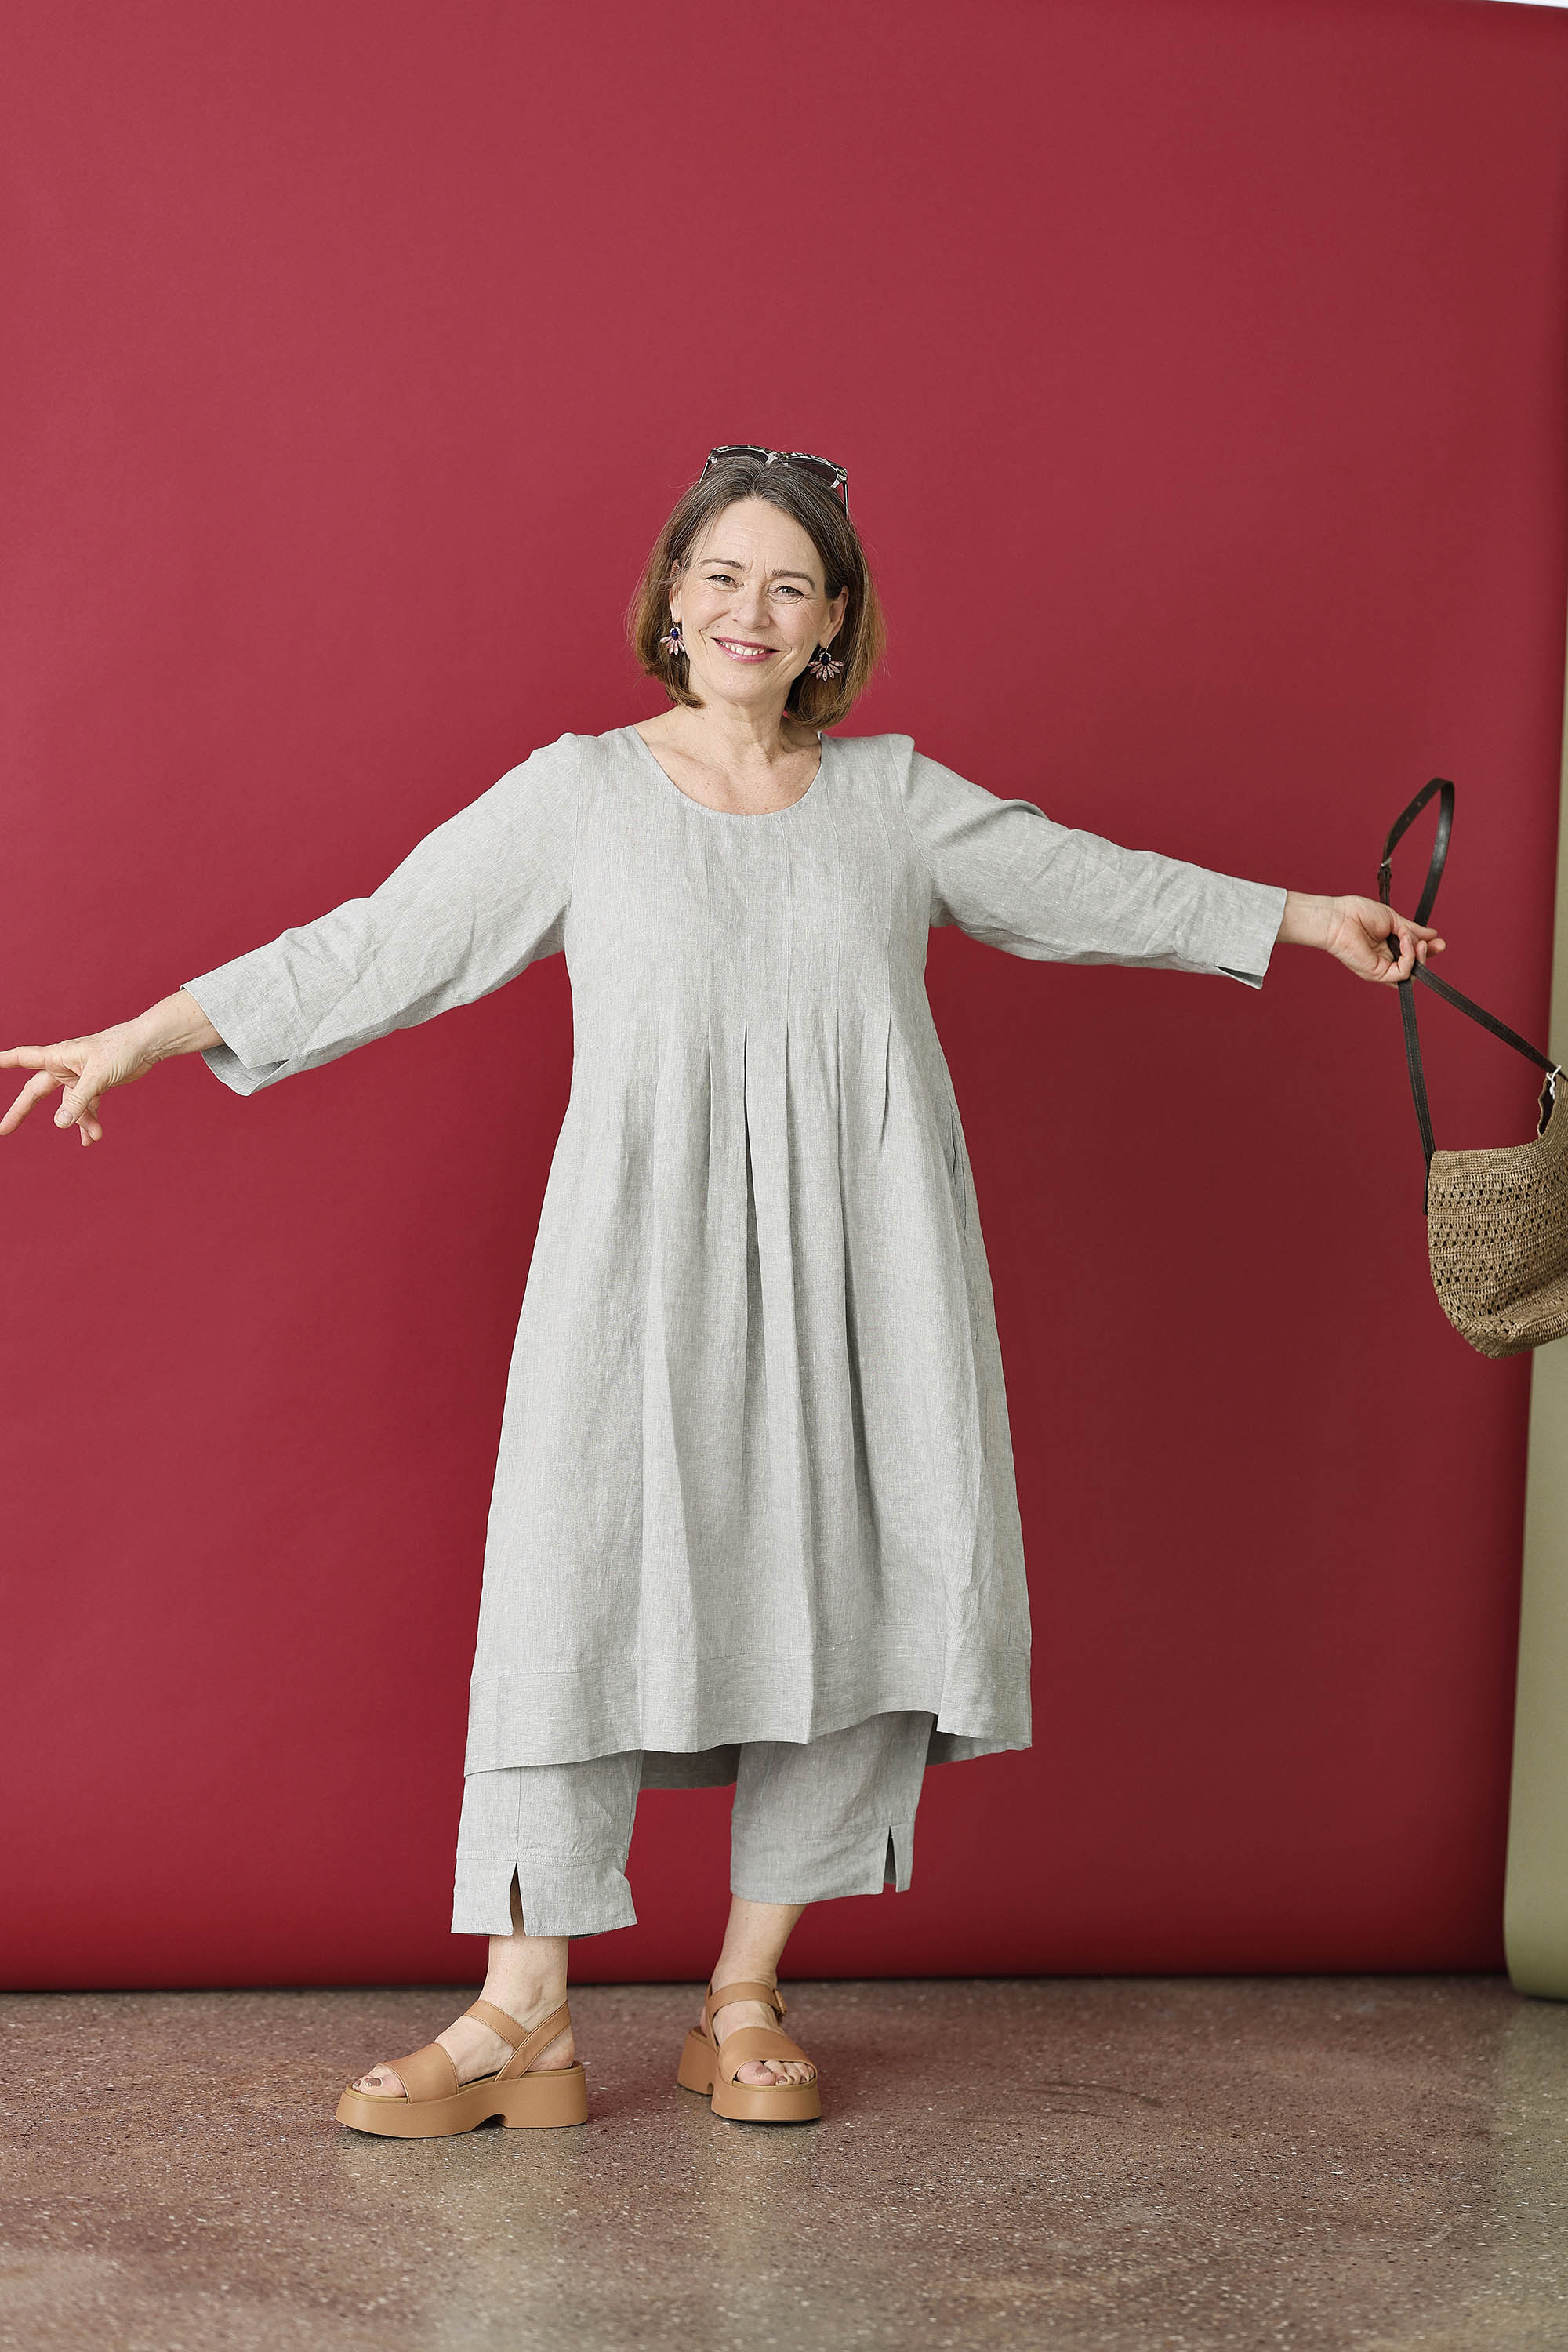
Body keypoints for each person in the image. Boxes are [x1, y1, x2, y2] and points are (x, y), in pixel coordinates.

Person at [0, 445, 1443, 2136]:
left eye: (787, 585)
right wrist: (144, 1037)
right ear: (670, 599)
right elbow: (372, 943)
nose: (746, 610)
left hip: (871, 1266)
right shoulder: (579, 795)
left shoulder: (896, 801)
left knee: (859, 1582)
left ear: (832, 624)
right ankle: (517, 2011)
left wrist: (1293, 919)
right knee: (570, 1581)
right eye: (719, 575)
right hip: (637, 1265)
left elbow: (1089, 884)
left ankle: (746, 1991)